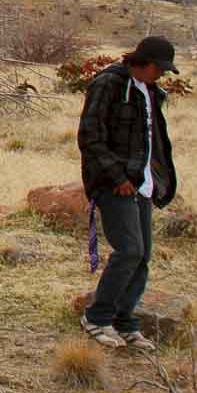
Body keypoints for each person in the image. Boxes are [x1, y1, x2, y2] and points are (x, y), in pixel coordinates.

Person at [76, 35, 179, 349]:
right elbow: (90, 135)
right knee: (130, 251)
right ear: (143, 62)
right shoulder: (108, 84)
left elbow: (151, 140)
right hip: (114, 183)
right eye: (158, 69)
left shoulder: (149, 91)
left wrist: (156, 178)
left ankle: (124, 322)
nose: (160, 75)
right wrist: (116, 175)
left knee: (142, 255)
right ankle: (97, 317)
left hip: (142, 182)